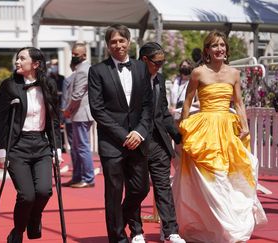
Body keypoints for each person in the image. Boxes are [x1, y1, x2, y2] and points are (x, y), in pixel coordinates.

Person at [172, 30, 267, 243]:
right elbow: (187, 101)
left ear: (227, 49)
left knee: (228, 176)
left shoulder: (234, 73)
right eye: (214, 46)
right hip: (204, 128)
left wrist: (244, 126)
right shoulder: (198, 72)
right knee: (210, 178)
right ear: (207, 50)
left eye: (222, 45)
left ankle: (228, 225)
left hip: (227, 127)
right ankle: (210, 225)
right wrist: (185, 127)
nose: (219, 49)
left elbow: (239, 103)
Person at [88, 24, 153, 243]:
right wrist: (124, 135)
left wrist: (140, 132)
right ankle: (117, 237)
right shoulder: (97, 71)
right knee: (114, 193)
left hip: (138, 140)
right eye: (113, 42)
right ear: (108, 46)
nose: (118, 45)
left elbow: (147, 105)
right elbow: (97, 109)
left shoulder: (141, 68)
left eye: (121, 40)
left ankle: (121, 218)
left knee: (141, 188)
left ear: (129, 42)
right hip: (112, 143)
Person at [0, 47, 62, 243]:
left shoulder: (48, 84)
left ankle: (34, 216)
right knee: (27, 196)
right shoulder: (10, 85)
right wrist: (0, 151)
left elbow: (54, 119)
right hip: (17, 145)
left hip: (41, 144)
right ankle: (18, 231)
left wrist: (57, 148)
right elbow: (0, 120)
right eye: (17, 58)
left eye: (22, 58)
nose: (17, 62)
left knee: (44, 191)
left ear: (36, 64)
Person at [138, 42, 185, 243]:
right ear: (144, 60)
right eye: (157, 63)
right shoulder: (131, 80)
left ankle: (171, 230)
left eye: (162, 62)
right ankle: (136, 231)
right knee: (138, 189)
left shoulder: (160, 78)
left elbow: (163, 113)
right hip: (137, 143)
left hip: (158, 142)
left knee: (163, 186)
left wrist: (178, 136)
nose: (160, 67)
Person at [62, 42, 95, 188]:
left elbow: (77, 95)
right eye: (73, 54)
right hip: (78, 113)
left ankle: (88, 178)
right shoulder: (81, 69)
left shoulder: (83, 70)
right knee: (76, 148)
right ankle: (77, 177)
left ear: (84, 55)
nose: (74, 56)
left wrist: (68, 110)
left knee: (82, 147)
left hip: (81, 113)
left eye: (76, 54)